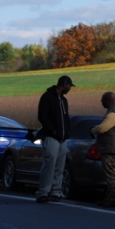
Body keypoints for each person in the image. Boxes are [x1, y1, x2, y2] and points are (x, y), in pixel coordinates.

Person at [36, 75, 74, 203]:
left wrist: (67, 132)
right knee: (50, 162)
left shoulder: (63, 101)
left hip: (63, 138)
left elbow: (66, 118)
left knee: (60, 165)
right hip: (51, 136)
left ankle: (56, 191)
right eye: (69, 86)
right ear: (64, 85)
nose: (70, 89)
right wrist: (53, 130)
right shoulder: (47, 97)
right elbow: (42, 116)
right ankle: (43, 192)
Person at [90, 91, 115, 207]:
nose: (101, 102)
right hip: (112, 147)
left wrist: (93, 130)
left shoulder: (113, 114)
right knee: (110, 173)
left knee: (110, 174)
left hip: (110, 148)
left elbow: (102, 128)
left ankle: (113, 198)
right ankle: (110, 197)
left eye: (103, 100)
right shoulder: (114, 112)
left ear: (108, 101)